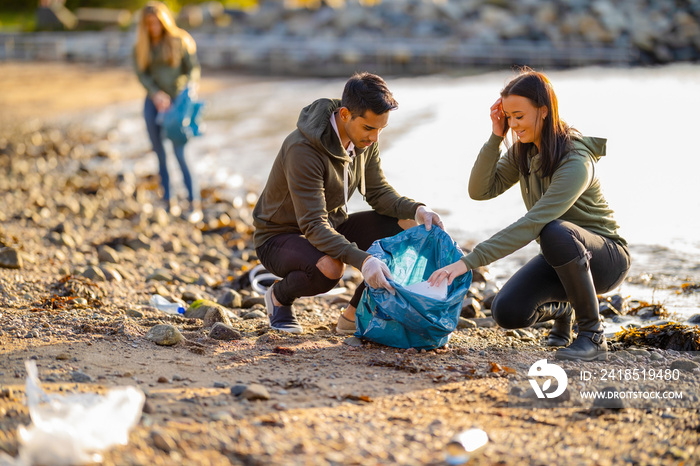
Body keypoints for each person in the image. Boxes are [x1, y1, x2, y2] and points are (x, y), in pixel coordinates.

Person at [428, 68, 630, 361]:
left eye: (519, 116)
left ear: (543, 111)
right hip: (561, 255)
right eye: (508, 117)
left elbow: (534, 222)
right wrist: (496, 136)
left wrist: (467, 263)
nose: (513, 124)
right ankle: (565, 309)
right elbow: (480, 190)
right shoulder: (524, 150)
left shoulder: (576, 160)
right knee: (507, 312)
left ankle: (592, 335)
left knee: (554, 230)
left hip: (606, 259)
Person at [253, 72, 443, 334]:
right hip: (279, 236)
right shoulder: (302, 150)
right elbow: (313, 225)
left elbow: (377, 192)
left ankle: (353, 316)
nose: (375, 138)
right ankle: (278, 298)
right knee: (331, 268)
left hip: (330, 225)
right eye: (369, 128)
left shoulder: (363, 139)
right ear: (344, 115)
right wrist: (364, 261)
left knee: (412, 228)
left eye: (380, 129)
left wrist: (418, 209)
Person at [133, 1, 202, 223]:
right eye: (149, 23)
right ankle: (168, 202)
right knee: (159, 154)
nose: (153, 27)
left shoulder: (180, 40)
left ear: (164, 21)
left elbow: (193, 70)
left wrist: (186, 90)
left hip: (178, 103)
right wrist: (155, 94)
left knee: (181, 154)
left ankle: (194, 203)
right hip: (153, 103)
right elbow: (142, 75)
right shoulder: (141, 46)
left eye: (157, 22)